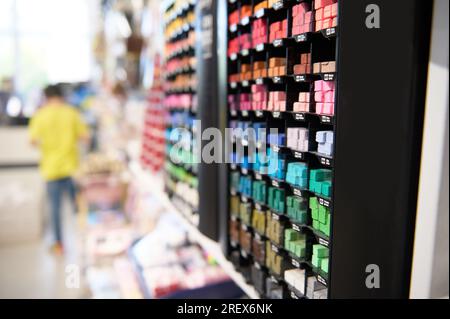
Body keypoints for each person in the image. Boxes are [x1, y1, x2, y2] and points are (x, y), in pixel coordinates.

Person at [29, 84, 89, 254]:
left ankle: (59, 244)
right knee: (78, 206)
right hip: (72, 168)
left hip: (51, 168)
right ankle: (83, 240)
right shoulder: (71, 113)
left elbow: (32, 141)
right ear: (61, 96)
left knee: (55, 209)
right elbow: (85, 137)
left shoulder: (40, 115)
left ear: (46, 97)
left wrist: (47, 144)